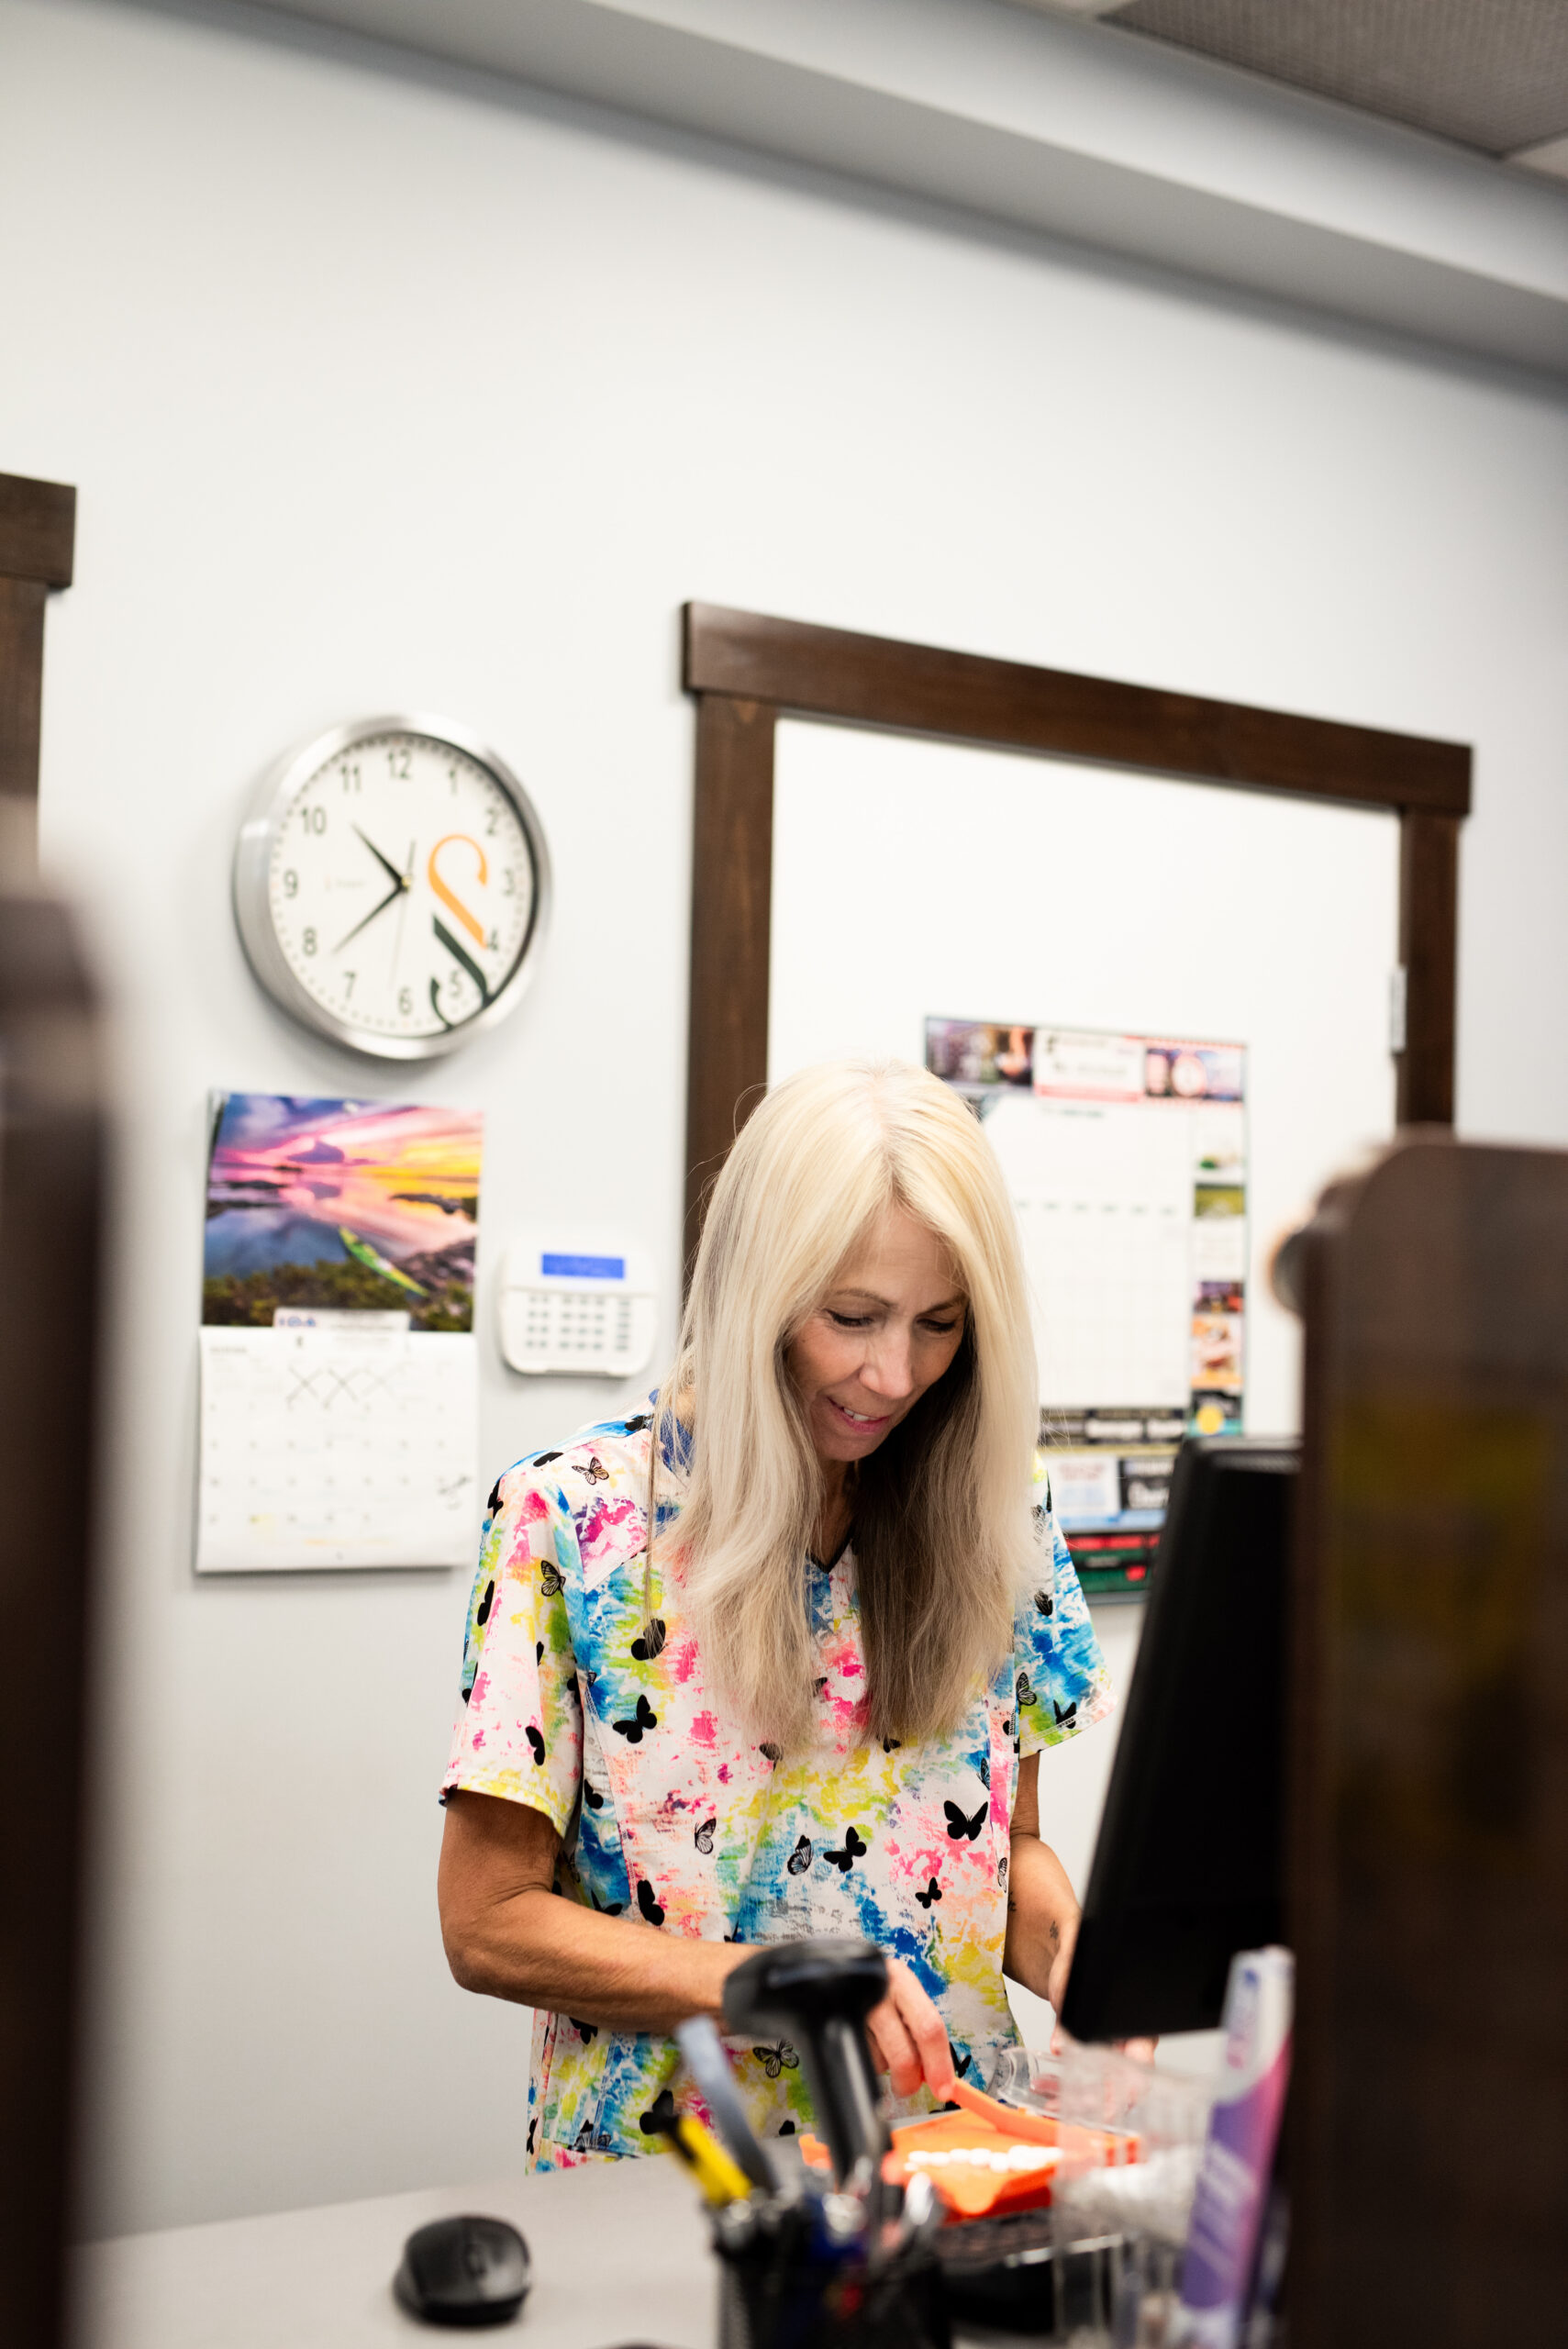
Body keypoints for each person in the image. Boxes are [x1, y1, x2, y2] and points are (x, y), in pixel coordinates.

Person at [438, 1058, 1112, 2167]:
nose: (893, 1375)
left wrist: (1076, 1955)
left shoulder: (1000, 1515)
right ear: (758, 1286)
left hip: (952, 2161)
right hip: (681, 2183)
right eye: (851, 1316)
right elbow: (485, 1920)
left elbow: (1009, 1845)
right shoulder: (574, 1523)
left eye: (939, 1324)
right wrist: (762, 1983)